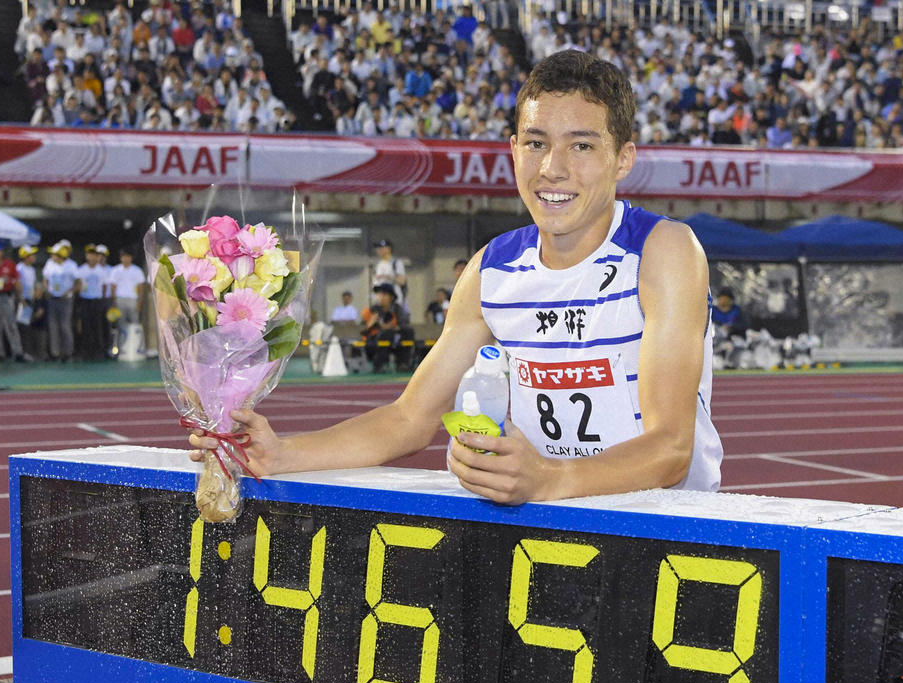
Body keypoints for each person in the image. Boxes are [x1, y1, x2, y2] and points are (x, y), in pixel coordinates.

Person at [190, 50, 722, 504]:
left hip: (666, 533)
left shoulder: (663, 251)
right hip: (551, 529)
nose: (552, 168)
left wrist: (549, 477)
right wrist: (282, 453)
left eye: (581, 146)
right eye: (536, 143)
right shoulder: (492, 270)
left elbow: (671, 449)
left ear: (623, 159)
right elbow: (410, 420)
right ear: (513, 149)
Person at [361, 282, 414, 373]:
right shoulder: (370, 311)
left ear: (391, 297)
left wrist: (390, 327)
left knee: (407, 332)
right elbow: (360, 331)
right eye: (379, 294)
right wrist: (370, 324)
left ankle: (403, 364)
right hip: (374, 343)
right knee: (386, 334)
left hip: (395, 341)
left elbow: (403, 324)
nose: (381, 297)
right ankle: (378, 366)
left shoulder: (397, 309)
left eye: (384, 294)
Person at [42, 240, 78, 361]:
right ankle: (55, 352)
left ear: (61, 255)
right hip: (52, 298)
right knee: (53, 325)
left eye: (54, 254)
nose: (52, 256)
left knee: (64, 325)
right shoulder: (49, 263)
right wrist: (47, 289)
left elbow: (78, 282)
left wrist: (69, 292)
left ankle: (68, 352)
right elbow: (45, 279)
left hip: (65, 299)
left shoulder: (71, 265)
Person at [77, 244, 107, 359]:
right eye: (89, 254)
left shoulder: (101, 270)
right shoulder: (81, 270)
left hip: (97, 300)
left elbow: (104, 286)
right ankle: (86, 351)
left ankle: (99, 350)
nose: (91, 257)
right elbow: (79, 285)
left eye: (93, 255)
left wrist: (102, 299)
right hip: (85, 299)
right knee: (86, 325)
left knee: (98, 325)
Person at [15, 245, 38, 356]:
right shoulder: (19, 268)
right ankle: (22, 352)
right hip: (22, 301)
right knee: (21, 327)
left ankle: (28, 351)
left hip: (29, 300)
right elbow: (17, 284)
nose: (34, 257)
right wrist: (21, 299)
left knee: (27, 326)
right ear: (25, 256)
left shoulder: (32, 269)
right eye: (31, 255)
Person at [370, 239, 407, 306]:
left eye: (381, 248)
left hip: (395, 301)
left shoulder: (396, 263)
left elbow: (402, 281)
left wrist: (387, 277)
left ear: (389, 249)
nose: (378, 250)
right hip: (380, 301)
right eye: (378, 248)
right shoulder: (377, 265)